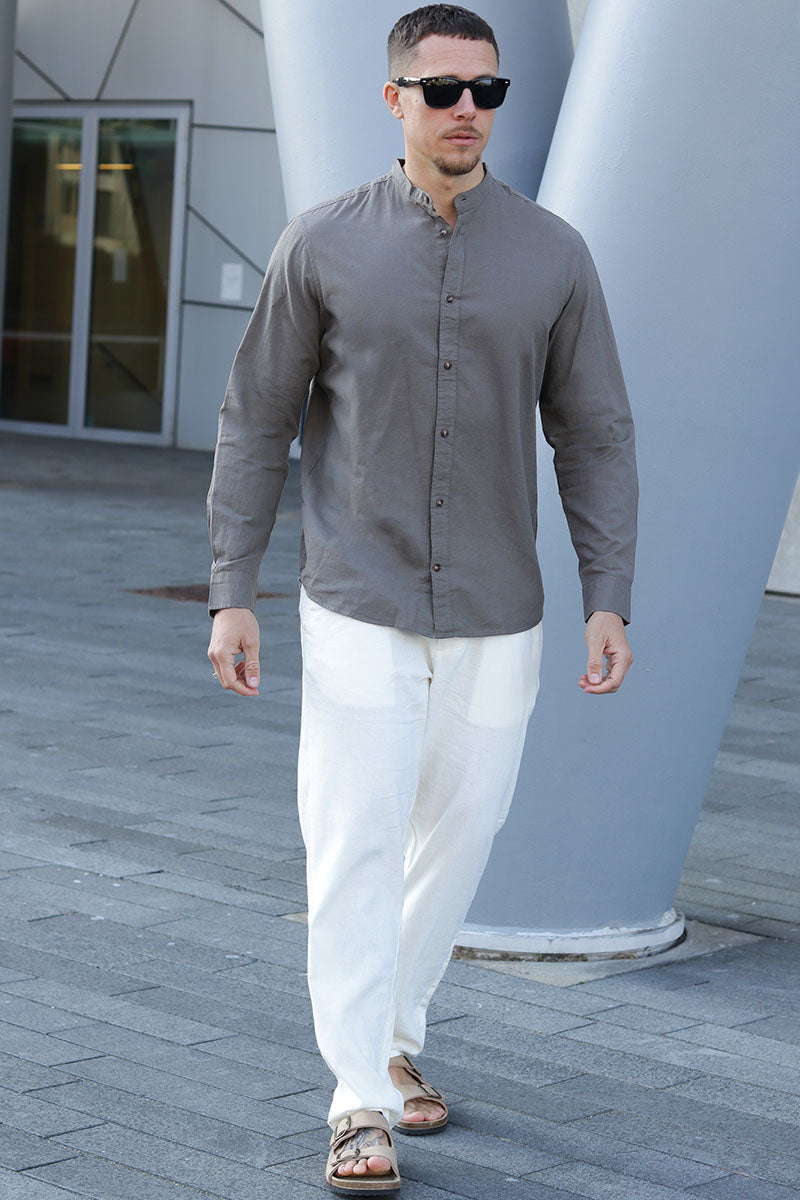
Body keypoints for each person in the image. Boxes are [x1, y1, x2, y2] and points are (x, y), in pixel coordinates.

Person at [207, 4, 637, 1192]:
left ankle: (395, 1036)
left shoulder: (552, 254)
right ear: (393, 98)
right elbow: (256, 419)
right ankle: (357, 1096)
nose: (465, 111)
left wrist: (609, 590)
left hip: (501, 605)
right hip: (356, 592)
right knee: (353, 842)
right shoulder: (321, 243)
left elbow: (594, 432)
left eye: (485, 91)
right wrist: (231, 588)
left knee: (459, 833)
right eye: (441, 90)